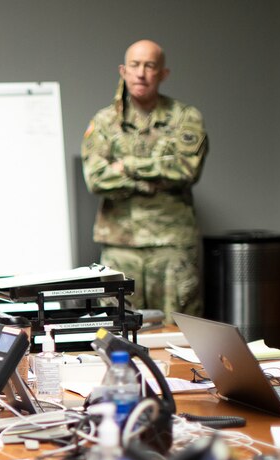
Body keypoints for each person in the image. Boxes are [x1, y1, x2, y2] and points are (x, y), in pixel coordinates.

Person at [82, 39, 208, 322]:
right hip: (120, 248)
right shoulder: (104, 122)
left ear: (163, 74)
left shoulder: (185, 118)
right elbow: (96, 178)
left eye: (150, 66)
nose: (141, 73)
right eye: (135, 65)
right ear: (123, 71)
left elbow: (186, 170)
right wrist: (153, 179)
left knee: (180, 331)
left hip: (171, 246)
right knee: (117, 331)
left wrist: (126, 166)